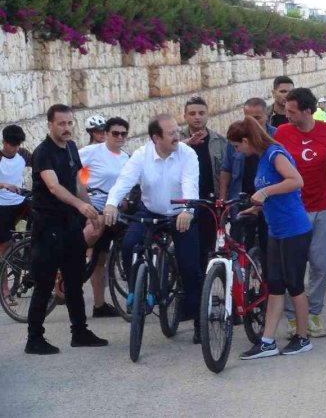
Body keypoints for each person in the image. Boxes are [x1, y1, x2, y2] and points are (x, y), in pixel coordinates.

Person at [104, 114, 203, 341]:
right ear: (156, 138)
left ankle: (198, 320)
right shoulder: (141, 155)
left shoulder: (187, 154)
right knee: (129, 244)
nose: (178, 136)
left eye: (177, 131)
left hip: (181, 214)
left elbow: (190, 184)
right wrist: (111, 204)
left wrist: (188, 209)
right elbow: (124, 181)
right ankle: (135, 290)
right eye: (171, 133)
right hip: (150, 211)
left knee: (190, 266)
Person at [225, 117, 314, 359]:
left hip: (294, 229)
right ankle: (267, 341)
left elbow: (296, 181)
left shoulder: (275, 153)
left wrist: (264, 191)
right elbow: (274, 194)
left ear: (246, 140)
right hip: (276, 229)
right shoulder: (262, 158)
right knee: (274, 285)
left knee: (294, 285)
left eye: (237, 146)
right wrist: (256, 208)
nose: (237, 152)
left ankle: (303, 337)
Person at [26, 104, 106, 355]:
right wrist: (80, 205)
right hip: (47, 225)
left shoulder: (72, 148)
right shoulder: (43, 153)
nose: (66, 128)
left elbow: (78, 181)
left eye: (70, 123)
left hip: (70, 223)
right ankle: (34, 338)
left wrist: (92, 211)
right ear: (49, 125)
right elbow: (54, 187)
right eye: (61, 124)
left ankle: (79, 332)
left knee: (74, 279)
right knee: (44, 282)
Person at [275, 87, 326, 337]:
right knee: (294, 267)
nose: (287, 115)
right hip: (292, 210)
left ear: (307, 111)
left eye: (291, 111)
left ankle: (314, 314)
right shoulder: (281, 132)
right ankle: (292, 318)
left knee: (320, 264)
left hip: (322, 206)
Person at [79, 117, 130, 318]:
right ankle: (64, 260)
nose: (119, 137)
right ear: (106, 134)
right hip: (93, 205)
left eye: (123, 134)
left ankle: (99, 305)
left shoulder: (126, 158)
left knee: (100, 258)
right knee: (94, 230)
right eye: (115, 133)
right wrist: (82, 194)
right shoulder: (92, 152)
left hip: (114, 209)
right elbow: (71, 168)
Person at [219, 98, 277, 251]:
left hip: (269, 201)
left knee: (269, 250)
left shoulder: (276, 137)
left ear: (267, 116)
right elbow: (226, 169)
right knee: (239, 249)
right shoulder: (236, 139)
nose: (253, 122)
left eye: (257, 117)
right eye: (248, 117)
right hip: (241, 200)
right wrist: (223, 198)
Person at [182, 96, 228, 266]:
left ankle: (203, 286)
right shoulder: (176, 140)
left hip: (209, 202)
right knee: (186, 246)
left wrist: (222, 200)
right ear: (185, 116)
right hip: (184, 202)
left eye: (201, 113)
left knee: (207, 247)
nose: (197, 117)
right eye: (192, 113)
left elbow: (224, 172)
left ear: (208, 115)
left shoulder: (219, 141)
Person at [0, 125, 28, 261]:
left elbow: (41, 166)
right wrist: (4, 185)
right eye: (13, 145)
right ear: (4, 142)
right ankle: (3, 282)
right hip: (2, 205)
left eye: (18, 144)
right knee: (4, 246)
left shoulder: (23, 154)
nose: (16, 148)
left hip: (21, 201)